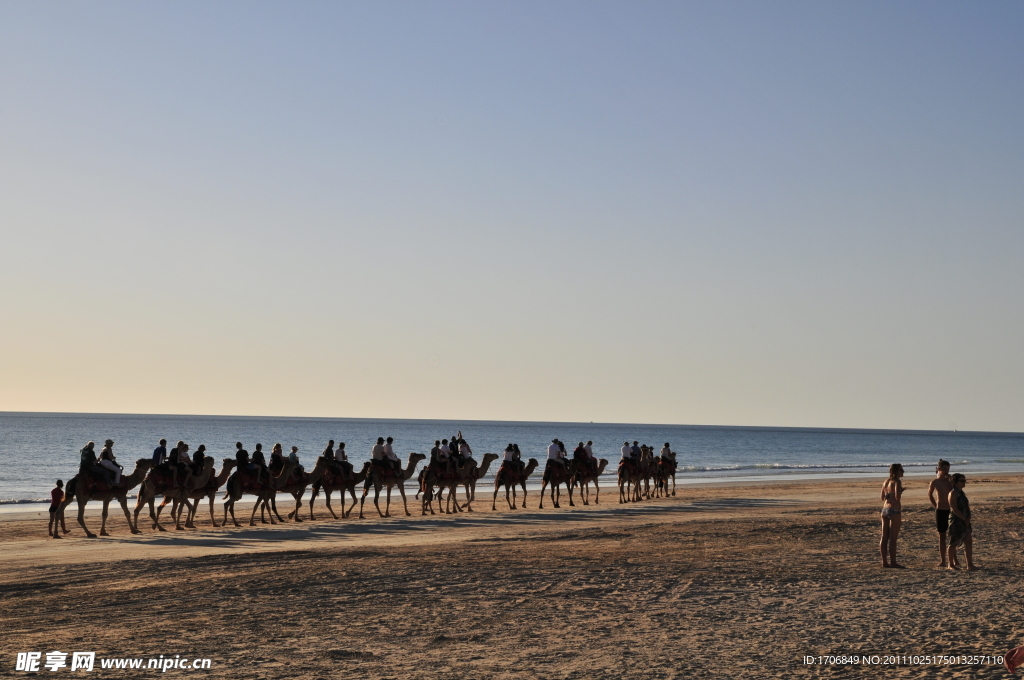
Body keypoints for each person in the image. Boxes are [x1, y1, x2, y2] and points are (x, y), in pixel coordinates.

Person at [928, 459, 954, 568]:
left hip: (951, 510)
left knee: (952, 535)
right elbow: (930, 494)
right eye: (944, 469)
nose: (946, 471)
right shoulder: (935, 482)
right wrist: (935, 505)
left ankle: (954, 560)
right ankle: (943, 560)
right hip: (940, 510)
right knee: (942, 535)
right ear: (939, 469)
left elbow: (955, 491)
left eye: (947, 469)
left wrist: (951, 481)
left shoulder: (950, 481)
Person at [946, 473, 975, 570]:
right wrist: (964, 518)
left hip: (965, 520)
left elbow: (966, 506)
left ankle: (969, 565)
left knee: (968, 542)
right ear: (955, 482)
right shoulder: (952, 493)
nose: (964, 482)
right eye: (961, 481)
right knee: (953, 542)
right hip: (956, 520)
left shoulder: (962, 492)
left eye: (964, 480)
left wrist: (968, 517)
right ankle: (950, 564)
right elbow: (954, 509)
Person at [879, 463, 904, 568]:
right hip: (894, 510)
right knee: (893, 538)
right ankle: (893, 562)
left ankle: (884, 561)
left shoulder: (886, 481)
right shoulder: (897, 482)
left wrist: (890, 497)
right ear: (895, 472)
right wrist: (900, 492)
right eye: (901, 470)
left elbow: (882, 497)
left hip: (885, 509)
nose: (903, 471)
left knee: (884, 537)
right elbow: (897, 499)